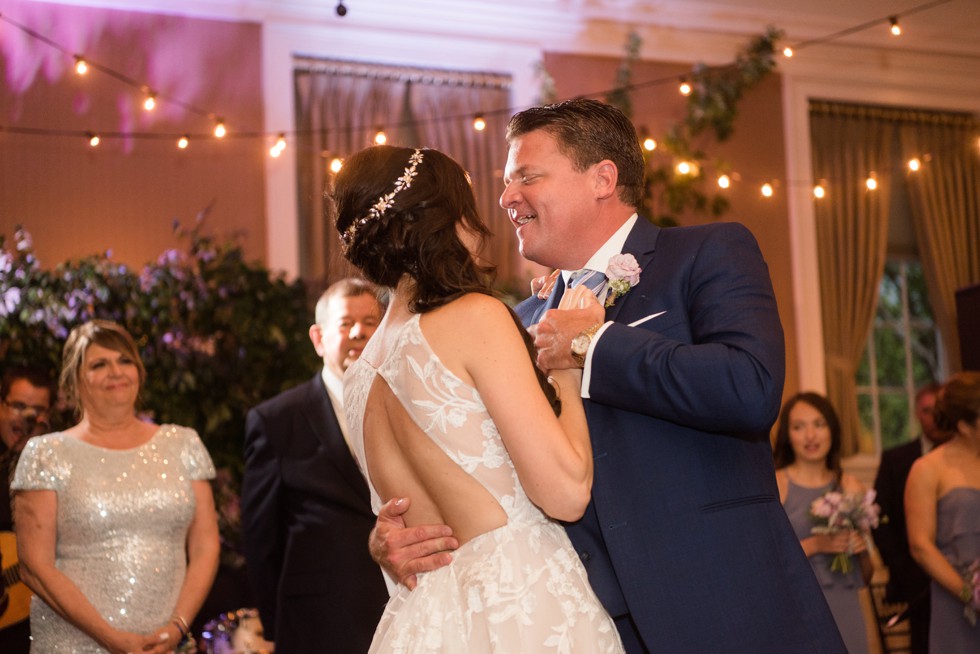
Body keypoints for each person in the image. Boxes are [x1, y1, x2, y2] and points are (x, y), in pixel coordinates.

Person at [368, 98, 845, 653]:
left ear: (602, 178)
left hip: (723, 603)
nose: (505, 199)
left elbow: (750, 387)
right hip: (584, 624)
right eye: (505, 182)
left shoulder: (706, 253)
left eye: (527, 176)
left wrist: (594, 344)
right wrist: (399, 535)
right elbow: (483, 466)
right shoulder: (512, 324)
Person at [334, 144, 624, 652]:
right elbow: (567, 491)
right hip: (521, 607)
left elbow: (399, 531)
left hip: (423, 624)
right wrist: (568, 365)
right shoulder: (475, 317)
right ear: (444, 218)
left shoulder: (358, 377)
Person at [11, 319, 220, 653]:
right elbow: (35, 567)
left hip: (165, 644)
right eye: (99, 364)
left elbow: (205, 546)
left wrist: (177, 627)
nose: (116, 371)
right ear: (74, 381)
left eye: (125, 361)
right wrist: (110, 638)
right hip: (75, 644)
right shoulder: (47, 454)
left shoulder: (184, 444)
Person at [241, 278, 390, 653]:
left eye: (371, 322)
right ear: (319, 338)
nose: (359, 332)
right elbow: (261, 539)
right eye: (345, 323)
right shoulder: (276, 420)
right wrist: (275, 627)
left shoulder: (412, 406)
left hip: (405, 604)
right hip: (318, 622)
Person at [774, 392, 875, 654]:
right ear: (787, 435)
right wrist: (815, 544)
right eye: (799, 427)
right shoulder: (776, 485)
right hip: (797, 607)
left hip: (847, 605)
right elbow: (766, 563)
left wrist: (860, 550)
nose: (811, 436)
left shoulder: (850, 486)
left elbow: (866, 575)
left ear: (832, 429)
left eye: (819, 424)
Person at [906, 371, 980, 651]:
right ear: (963, 425)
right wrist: (969, 593)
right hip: (955, 598)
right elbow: (920, 546)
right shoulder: (928, 469)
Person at [872, 382, 944, 654]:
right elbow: (879, 517)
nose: (934, 417)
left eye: (940, 410)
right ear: (916, 413)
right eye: (927, 410)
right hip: (914, 575)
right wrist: (901, 566)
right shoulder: (897, 459)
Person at [0, 365, 54, 653]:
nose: (27, 418)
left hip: (35, 620)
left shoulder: (56, 469)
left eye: (37, 410)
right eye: (18, 406)